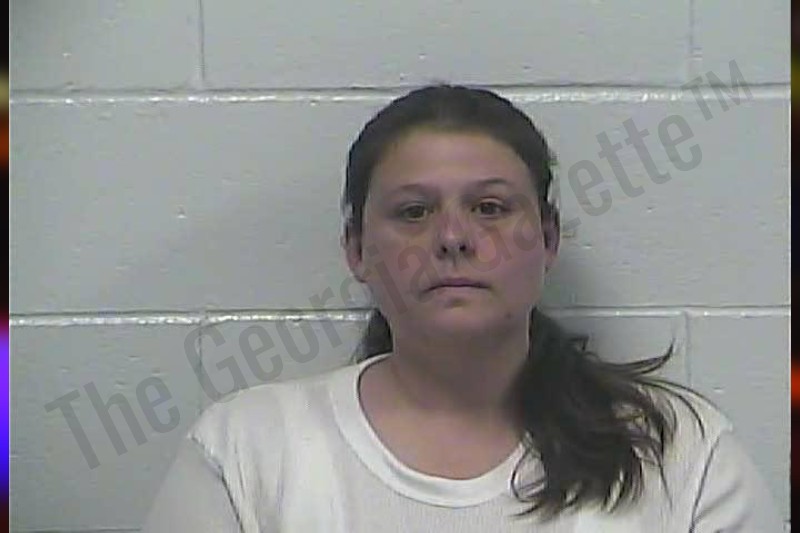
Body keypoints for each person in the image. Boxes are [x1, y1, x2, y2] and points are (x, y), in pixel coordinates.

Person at [142, 84, 783, 532]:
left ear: (549, 240)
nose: (452, 237)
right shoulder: (246, 450)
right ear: (357, 250)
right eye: (413, 212)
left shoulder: (679, 450)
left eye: (490, 208)